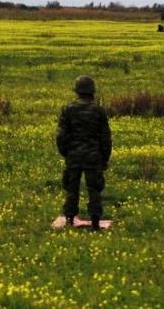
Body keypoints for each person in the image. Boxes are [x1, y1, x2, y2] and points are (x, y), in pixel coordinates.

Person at [56, 75, 111, 231]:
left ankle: (70, 218)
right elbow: (105, 137)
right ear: (92, 91)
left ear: (77, 91)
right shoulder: (98, 111)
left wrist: (65, 152)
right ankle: (95, 221)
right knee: (94, 190)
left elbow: (61, 135)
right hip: (93, 157)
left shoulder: (68, 109)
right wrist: (104, 158)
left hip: (73, 155)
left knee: (71, 188)